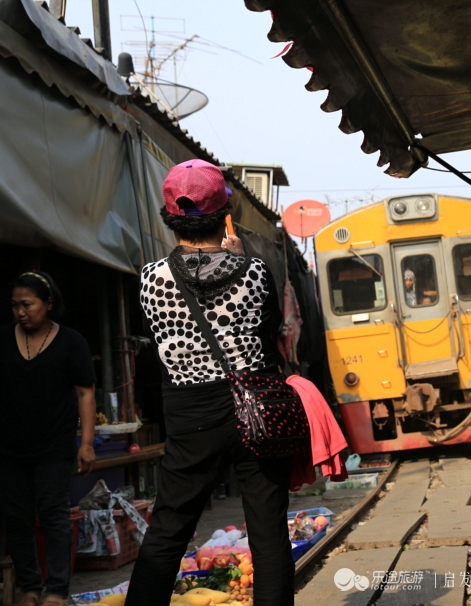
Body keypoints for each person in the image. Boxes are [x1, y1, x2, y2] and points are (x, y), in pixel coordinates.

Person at [125, 159, 295, 606]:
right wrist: (238, 260)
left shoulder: (149, 280)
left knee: (168, 530)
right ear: (225, 215)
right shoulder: (256, 272)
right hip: (254, 409)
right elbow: (268, 331)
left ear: (171, 217)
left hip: (190, 413)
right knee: (268, 530)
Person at [0, 272, 96, 606]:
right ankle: (29, 587)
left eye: (27, 304)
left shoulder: (71, 342)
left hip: (54, 445)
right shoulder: (2, 339)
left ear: (49, 304)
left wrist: (86, 443)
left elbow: (85, 393)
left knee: (54, 515)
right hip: (10, 446)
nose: (20, 312)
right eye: (15, 306)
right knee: (17, 517)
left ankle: (56, 590)